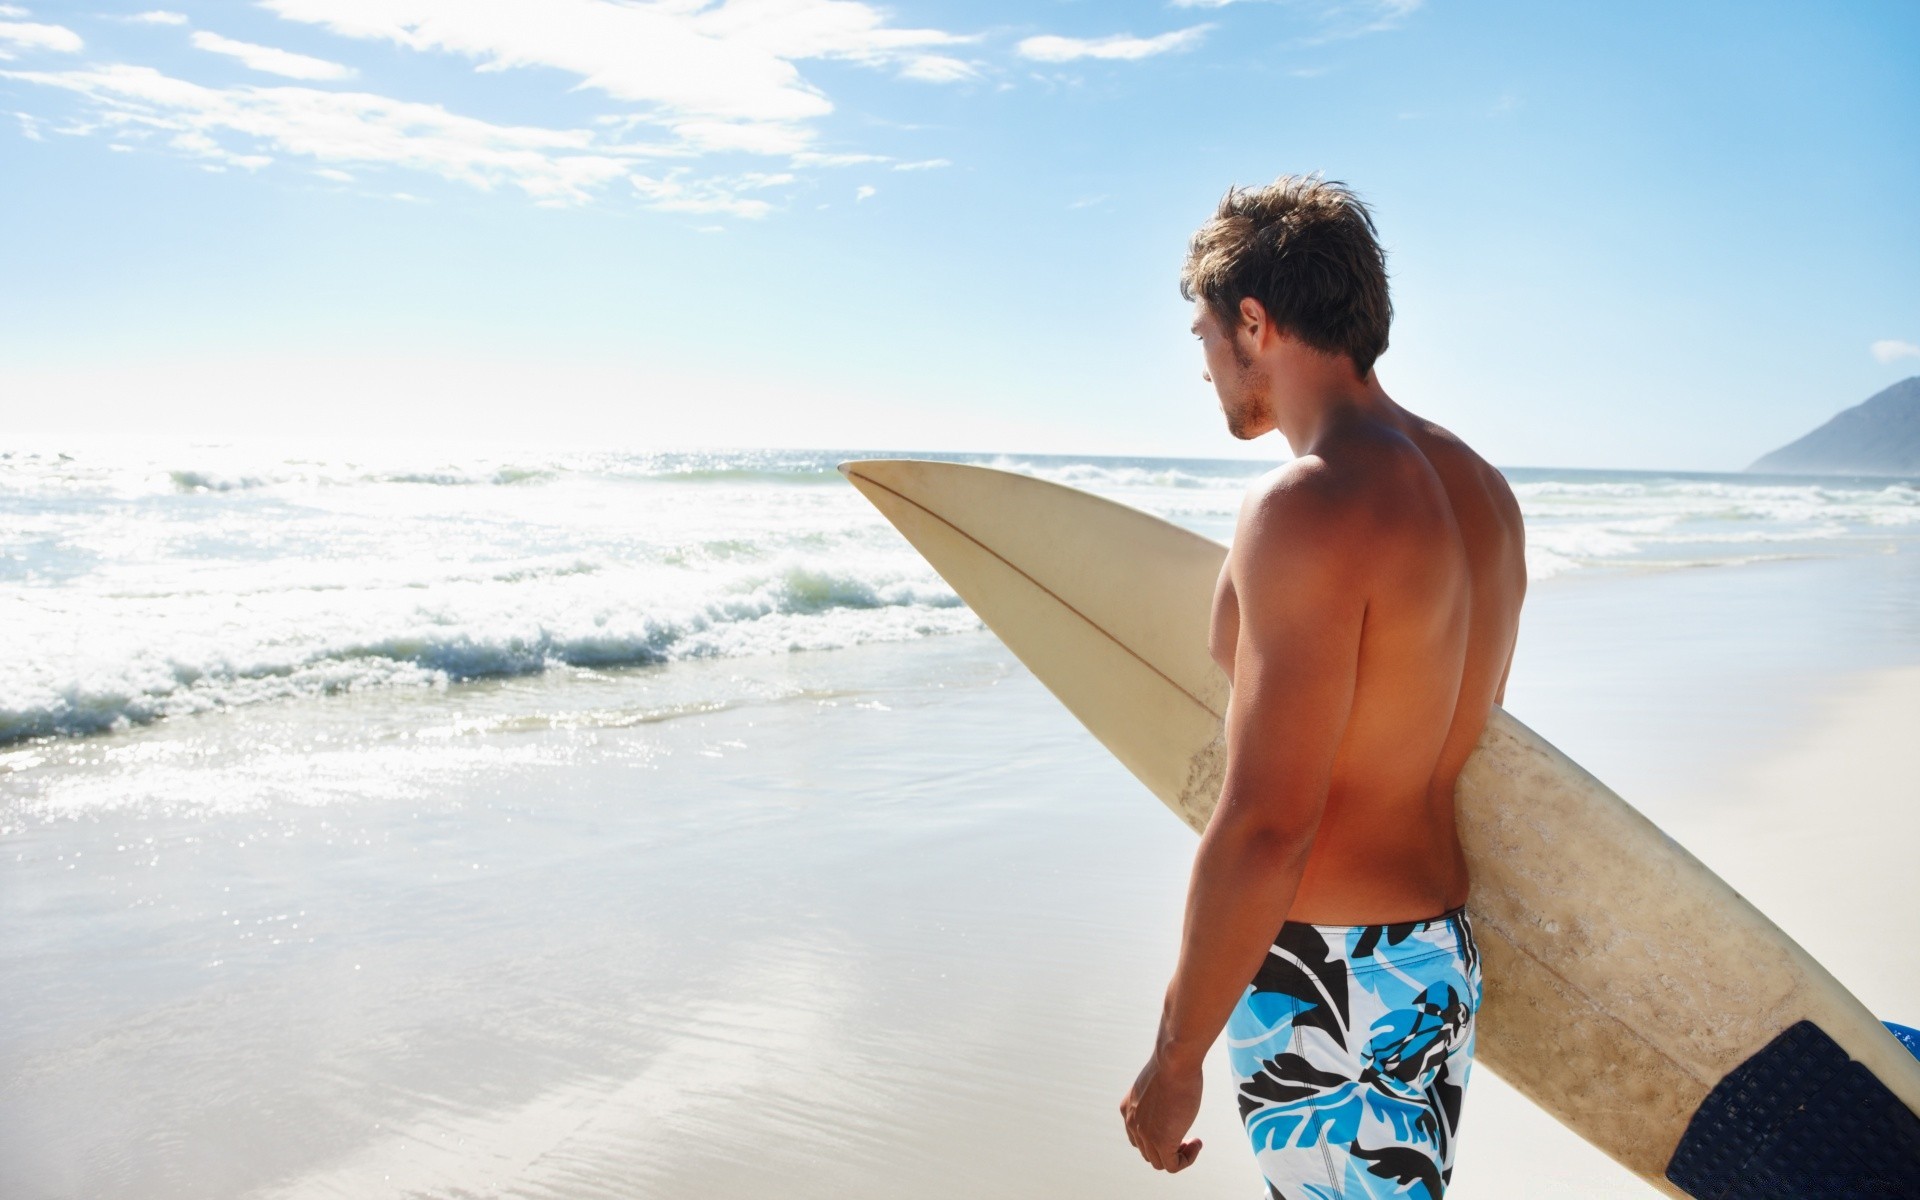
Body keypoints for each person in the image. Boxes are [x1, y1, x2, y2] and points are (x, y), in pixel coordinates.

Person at [1119, 176, 1527, 1198]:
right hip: (1432, 959)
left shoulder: (1312, 505)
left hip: (1331, 978)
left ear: (1253, 321)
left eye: (1206, 336)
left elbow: (1268, 822)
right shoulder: (1481, 491)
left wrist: (1174, 1061)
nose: (1206, 368)